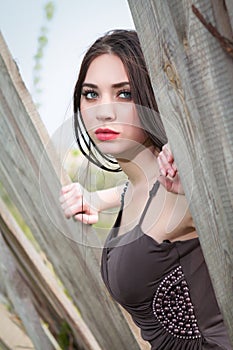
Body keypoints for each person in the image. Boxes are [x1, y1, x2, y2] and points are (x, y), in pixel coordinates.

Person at [60, 29, 232, 350]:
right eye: (91, 94)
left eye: (124, 93)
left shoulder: (178, 184)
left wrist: (197, 177)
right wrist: (95, 198)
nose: (104, 111)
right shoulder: (140, 186)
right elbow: (134, 191)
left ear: (151, 95)